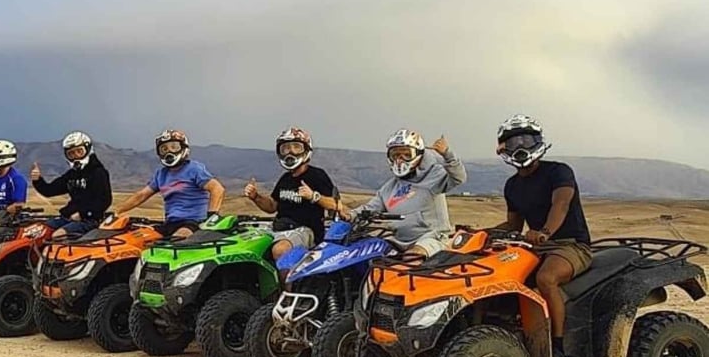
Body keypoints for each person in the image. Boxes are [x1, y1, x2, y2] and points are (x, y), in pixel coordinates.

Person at [491, 115, 593, 357]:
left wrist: (545, 232)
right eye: (513, 142)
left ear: (538, 141)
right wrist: (482, 233)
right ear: (503, 148)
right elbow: (514, 225)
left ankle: (558, 350)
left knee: (546, 278)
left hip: (571, 245)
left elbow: (561, 204)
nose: (520, 146)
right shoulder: (512, 186)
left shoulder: (558, 172)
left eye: (526, 140)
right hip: (537, 247)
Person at [350, 130, 466, 258]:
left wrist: (447, 154)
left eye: (407, 154)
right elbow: (370, 208)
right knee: (366, 254)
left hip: (431, 238)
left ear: (419, 154)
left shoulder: (434, 175)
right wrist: (349, 215)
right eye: (395, 155)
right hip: (398, 240)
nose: (400, 160)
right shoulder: (389, 187)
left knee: (411, 259)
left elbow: (458, 178)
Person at [243, 127, 340, 261]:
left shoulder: (317, 175)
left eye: (296, 147)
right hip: (280, 228)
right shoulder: (285, 178)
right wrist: (255, 197)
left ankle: (287, 276)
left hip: (306, 230)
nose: (291, 152)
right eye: (285, 148)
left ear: (306, 149)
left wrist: (313, 196)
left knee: (280, 250)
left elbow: (335, 205)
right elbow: (272, 206)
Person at [114, 129, 226, 238]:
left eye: (174, 147)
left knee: (176, 240)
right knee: (137, 239)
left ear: (183, 148)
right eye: (164, 149)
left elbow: (217, 189)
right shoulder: (161, 174)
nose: (169, 152)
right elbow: (141, 195)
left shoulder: (194, 169)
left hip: (194, 222)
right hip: (170, 223)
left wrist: (212, 216)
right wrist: (117, 212)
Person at [30, 131, 112, 237]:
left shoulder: (98, 173)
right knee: (39, 231)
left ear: (88, 149)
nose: (76, 156)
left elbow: (105, 200)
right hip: (68, 217)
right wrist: (37, 180)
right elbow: (49, 190)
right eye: (71, 153)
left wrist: (83, 214)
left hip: (90, 220)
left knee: (57, 235)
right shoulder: (72, 174)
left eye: (79, 151)